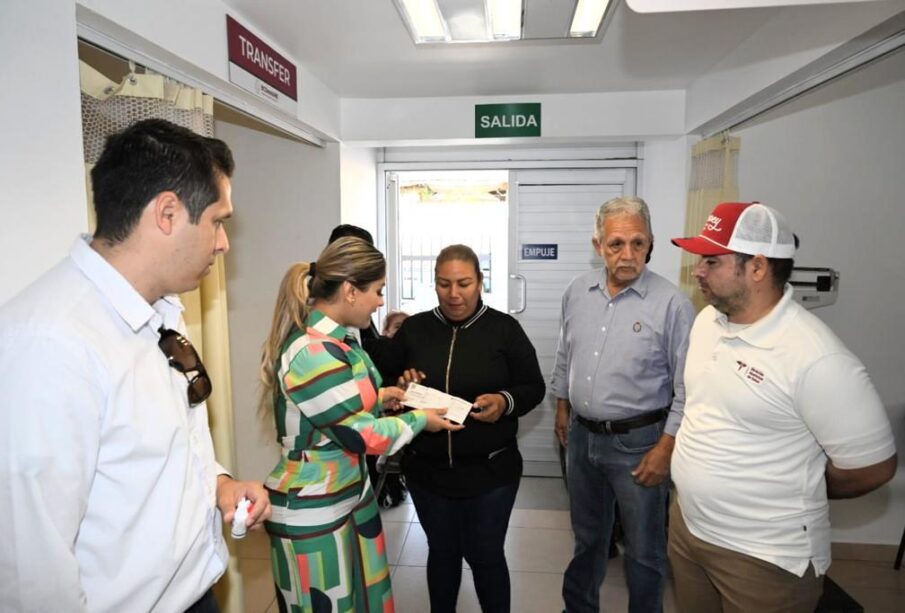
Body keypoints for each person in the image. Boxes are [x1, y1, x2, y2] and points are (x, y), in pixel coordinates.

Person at [0, 118, 271, 612]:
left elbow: (156, 451)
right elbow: (30, 572)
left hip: (193, 593)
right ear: (167, 213)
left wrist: (220, 485)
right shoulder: (52, 344)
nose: (224, 243)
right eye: (217, 220)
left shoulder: (159, 314)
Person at [669, 201, 897, 612]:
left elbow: (873, 467)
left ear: (757, 267)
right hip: (689, 528)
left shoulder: (816, 357)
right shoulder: (707, 321)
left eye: (711, 261)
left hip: (763, 555)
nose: (697, 271)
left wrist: (797, 485)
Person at [258, 237, 463, 613]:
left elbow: (346, 405)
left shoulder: (342, 342)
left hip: (348, 494)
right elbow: (360, 435)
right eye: (378, 291)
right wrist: (420, 420)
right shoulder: (312, 353)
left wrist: (385, 396)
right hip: (315, 511)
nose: (382, 301)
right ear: (351, 291)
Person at [378, 244, 546, 613]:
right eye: (444, 284)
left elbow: (534, 387)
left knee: (485, 555)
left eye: (464, 283)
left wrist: (504, 401)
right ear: (434, 284)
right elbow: (386, 378)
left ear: (481, 282)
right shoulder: (415, 329)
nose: (454, 294)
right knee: (442, 553)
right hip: (428, 469)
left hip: (491, 470)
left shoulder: (504, 329)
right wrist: (401, 384)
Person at [553, 196, 695, 613]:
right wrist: (562, 405)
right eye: (616, 244)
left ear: (650, 243)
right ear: (598, 245)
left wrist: (665, 449)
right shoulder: (577, 292)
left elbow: (688, 389)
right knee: (588, 540)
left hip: (641, 444)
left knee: (645, 550)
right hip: (581, 438)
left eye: (637, 243)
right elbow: (566, 355)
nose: (627, 254)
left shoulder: (672, 305)